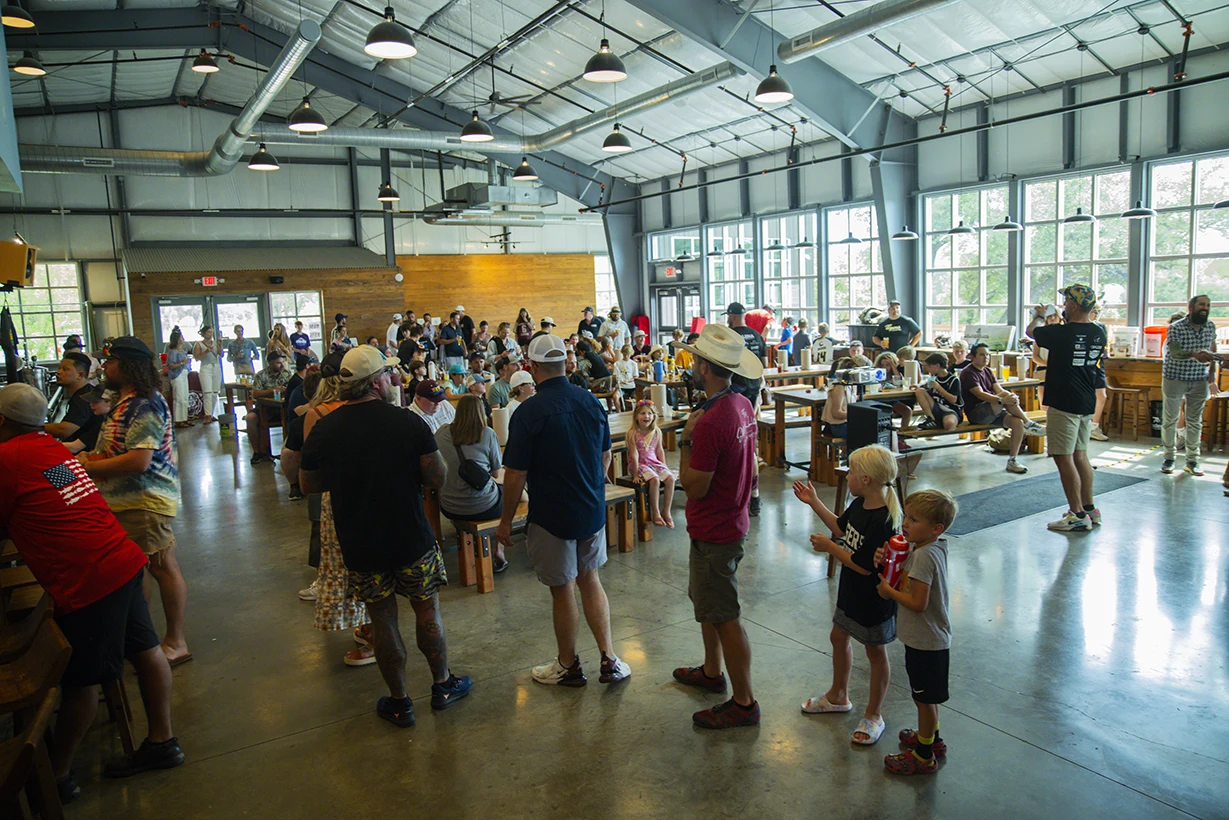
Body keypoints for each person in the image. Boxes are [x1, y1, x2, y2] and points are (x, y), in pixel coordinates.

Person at [0, 383, 183, 803]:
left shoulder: (8, 458)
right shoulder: (52, 449)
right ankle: (162, 742)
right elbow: (59, 498)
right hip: (120, 558)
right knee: (146, 650)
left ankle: (56, 774)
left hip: (88, 578)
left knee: (81, 681)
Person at [300, 345, 472, 727]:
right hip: (411, 536)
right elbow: (437, 477)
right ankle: (442, 685)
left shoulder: (326, 427)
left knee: (382, 619)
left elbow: (308, 483)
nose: (395, 380)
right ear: (376, 382)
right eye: (389, 375)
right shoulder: (407, 423)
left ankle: (400, 701)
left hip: (361, 542)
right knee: (427, 610)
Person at [496, 334, 631, 688]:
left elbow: (515, 474)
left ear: (533, 367)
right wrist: (591, 484)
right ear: (566, 364)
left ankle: (569, 665)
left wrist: (506, 522)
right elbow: (605, 454)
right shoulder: (590, 402)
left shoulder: (528, 412)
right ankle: (610, 659)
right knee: (591, 579)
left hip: (551, 513)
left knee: (562, 588)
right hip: (590, 508)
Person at [75, 336, 191, 668]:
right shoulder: (126, 403)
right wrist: (94, 456)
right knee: (137, 571)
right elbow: (119, 450)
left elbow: (139, 460)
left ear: (128, 366)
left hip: (145, 499)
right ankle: (143, 642)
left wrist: (89, 466)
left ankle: (176, 641)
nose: (104, 367)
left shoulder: (144, 403)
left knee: (161, 567)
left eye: (109, 362)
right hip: (128, 501)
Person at [671, 324, 762, 728]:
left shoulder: (708, 423)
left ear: (705, 367)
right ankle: (711, 672)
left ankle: (744, 703)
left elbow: (694, 486)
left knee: (726, 615)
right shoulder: (742, 404)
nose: (692, 365)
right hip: (732, 518)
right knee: (707, 604)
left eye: (695, 360)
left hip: (715, 527)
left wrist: (686, 441)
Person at [795, 444, 901, 745]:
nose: (848, 475)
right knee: (838, 637)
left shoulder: (884, 520)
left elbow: (866, 567)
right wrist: (814, 502)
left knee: (875, 653)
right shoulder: (860, 504)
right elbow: (841, 529)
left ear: (866, 479)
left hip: (874, 598)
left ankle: (874, 714)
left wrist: (830, 549)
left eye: (851, 471)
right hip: (851, 590)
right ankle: (838, 695)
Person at [875, 489, 958, 775]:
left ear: (936, 529)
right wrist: (886, 559)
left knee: (923, 700)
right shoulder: (926, 548)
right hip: (928, 639)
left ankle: (923, 755)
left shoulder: (924, 557)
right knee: (926, 698)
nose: (906, 524)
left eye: (914, 519)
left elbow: (918, 603)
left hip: (926, 641)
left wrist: (888, 591)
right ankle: (931, 738)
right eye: (907, 517)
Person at [302, 355, 373, 665]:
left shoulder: (317, 414)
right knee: (368, 564)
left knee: (341, 565)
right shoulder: (359, 410)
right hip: (370, 495)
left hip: (337, 496)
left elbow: (312, 467)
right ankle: (369, 627)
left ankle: (369, 635)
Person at [1029, 284, 1106, 532]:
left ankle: (1076, 513)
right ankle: (1089, 508)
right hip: (1086, 401)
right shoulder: (1099, 332)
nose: (1063, 306)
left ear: (1073, 305)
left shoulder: (1061, 333)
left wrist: (1039, 315)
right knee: (1080, 455)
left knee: (1063, 458)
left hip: (1064, 401)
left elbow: (1032, 332)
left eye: (1066, 303)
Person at [436, 394, 511, 572]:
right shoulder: (487, 434)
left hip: (449, 505)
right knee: (513, 491)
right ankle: (500, 549)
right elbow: (495, 472)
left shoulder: (440, 433)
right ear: (481, 412)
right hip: (482, 506)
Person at [960, 343, 1046, 474]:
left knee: (1017, 423)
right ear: (972, 356)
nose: (986, 358)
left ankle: (1013, 460)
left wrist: (1011, 397)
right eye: (982, 354)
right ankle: (1029, 424)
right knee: (1006, 396)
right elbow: (980, 394)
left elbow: (999, 390)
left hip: (994, 410)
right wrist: (1003, 399)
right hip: (977, 413)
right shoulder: (968, 372)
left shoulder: (987, 371)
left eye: (987, 355)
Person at [1160, 294, 1219, 476]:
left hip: (1199, 379)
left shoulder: (1210, 326)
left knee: (1195, 421)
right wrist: (1194, 355)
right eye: (1202, 304)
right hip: (1175, 377)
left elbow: (1213, 351)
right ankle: (1169, 458)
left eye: (1208, 305)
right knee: (1170, 419)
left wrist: (1212, 378)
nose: (1205, 308)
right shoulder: (1176, 327)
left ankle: (1192, 460)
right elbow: (1175, 351)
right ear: (1190, 307)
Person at [722, 302, 768, 516]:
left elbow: (723, 368)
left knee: (733, 446)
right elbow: (763, 366)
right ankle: (755, 495)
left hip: (735, 392)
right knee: (750, 444)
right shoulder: (757, 335)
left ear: (731, 316)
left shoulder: (729, 337)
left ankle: (737, 495)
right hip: (753, 392)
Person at [627, 400, 677, 528]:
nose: (646, 416)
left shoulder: (656, 431)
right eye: (643, 413)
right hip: (640, 464)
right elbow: (634, 454)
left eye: (649, 413)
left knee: (670, 479)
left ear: (654, 416)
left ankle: (666, 511)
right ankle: (655, 512)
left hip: (654, 462)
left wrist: (664, 466)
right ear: (636, 417)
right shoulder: (632, 433)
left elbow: (659, 450)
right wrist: (636, 474)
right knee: (654, 480)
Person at [45, 351, 104, 447]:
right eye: (59, 368)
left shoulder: (84, 398)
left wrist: (32, 427)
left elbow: (64, 430)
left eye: (65, 369)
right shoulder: (82, 393)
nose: (58, 372)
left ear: (80, 375)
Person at [245, 350, 292, 465]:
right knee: (250, 418)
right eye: (278, 363)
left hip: (282, 407)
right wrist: (272, 391)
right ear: (270, 363)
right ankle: (258, 452)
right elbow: (255, 394)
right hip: (264, 408)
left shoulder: (286, 374)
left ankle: (290, 450)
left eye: (282, 363)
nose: (281, 365)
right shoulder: (261, 375)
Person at [914, 353, 963, 431]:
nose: (928, 369)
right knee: (920, 391)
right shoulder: (934, 378)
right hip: (936, 407)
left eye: (929, 367)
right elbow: (926, 388)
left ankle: (943, 422)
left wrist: (938, 387)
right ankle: (931, 419)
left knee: (949, 424)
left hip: (950, 409)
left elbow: (953, 400)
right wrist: (918, 386)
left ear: (937, 365)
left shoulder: (953, 380)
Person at [193, 325, 223, 422]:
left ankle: (212, 412)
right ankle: (207, 415)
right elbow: (197, 358)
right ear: (204, 333)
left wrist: (220, 344)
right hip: (206, 367)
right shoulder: (198, 344)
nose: (210, 334)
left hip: (216, 366)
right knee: (207, 392)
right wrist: (206, 351)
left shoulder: (214, 343)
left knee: (215, 392)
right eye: (208, 332)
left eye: (212, 332)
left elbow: (220, 354)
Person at [165, 327, 193, 429]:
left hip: (184, 374)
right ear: (177, 339)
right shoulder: (172, 352)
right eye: (181, 337)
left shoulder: (182, 350)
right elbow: (170, 365)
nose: (183, 339)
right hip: (177, 376)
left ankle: (184, 418)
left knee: (185, 397)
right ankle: (178, 420)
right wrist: (182, 363)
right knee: (179, 398)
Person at [822, 358, 855, 439]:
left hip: (849, 422)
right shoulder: (839, 386)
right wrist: (856, 415)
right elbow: (836, 413)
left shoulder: (853, 385)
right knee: (866, 433)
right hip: (839, 425)